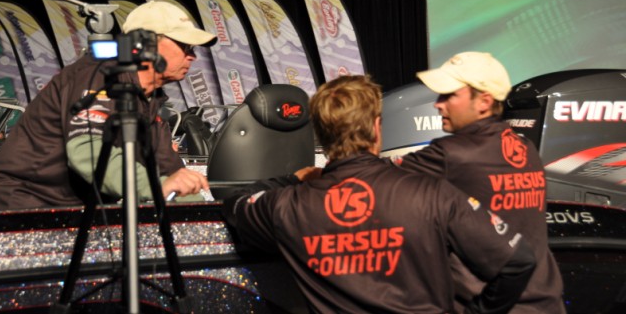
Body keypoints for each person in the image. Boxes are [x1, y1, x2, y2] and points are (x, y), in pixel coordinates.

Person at [223, 75, 537, 314]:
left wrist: (293, 178)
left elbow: (235, 201)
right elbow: (518, 261)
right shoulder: (433, 194)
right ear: (376, 127)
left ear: (321, 133)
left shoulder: (286, 206)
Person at [0, 0, 215, 211]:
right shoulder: (99, 74)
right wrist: (157, 186)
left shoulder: (149, 100)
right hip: (20, 203)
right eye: (185, 46)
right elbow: (87, 150)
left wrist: (201, 213)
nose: (192, 56)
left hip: (72, 211)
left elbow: (169, 171)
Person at [394, 52, 565, 313]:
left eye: (449, 95)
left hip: (490, 304)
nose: (438, 104)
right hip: (546, 304)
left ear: (484, 101)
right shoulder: (527, 148)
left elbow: (374, 180)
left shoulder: (451, 154)